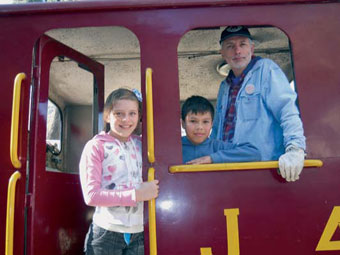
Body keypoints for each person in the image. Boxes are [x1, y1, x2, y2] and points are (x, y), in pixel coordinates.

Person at [211, 26, 306, 182]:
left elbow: (286, 110)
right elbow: (216, 130)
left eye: (242, 44)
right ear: (222, 53)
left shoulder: (266, 70)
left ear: (252, 48)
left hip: (264, 173)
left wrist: (295, 149)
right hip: (228, 172)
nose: (237, 51)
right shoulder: (224, 87)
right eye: (230, 46)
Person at [79, 88, 159, 255]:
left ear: (139, 116)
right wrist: (136, 195)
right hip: (106, 233)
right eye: (119, 113)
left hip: (139, 232)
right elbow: (91, 196)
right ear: (107, 116)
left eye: (132, 113)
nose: (126, 119)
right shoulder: (96, 146)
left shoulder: (142, 145)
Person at [181, 95, 261, 164]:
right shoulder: (175, 147)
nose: (200, 127)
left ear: (212, 124)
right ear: (183, 123)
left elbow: (254, 153)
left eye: (205, 122)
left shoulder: (217, 147)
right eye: (193, 121)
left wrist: (212, 158)